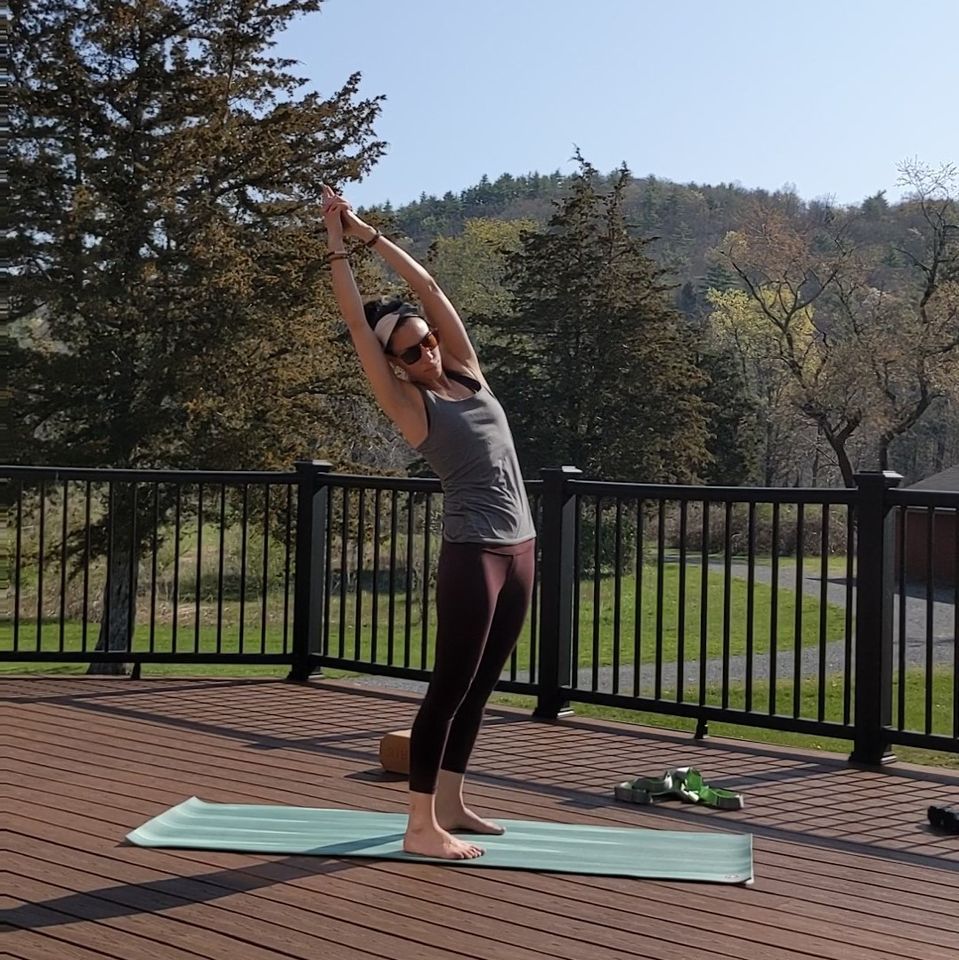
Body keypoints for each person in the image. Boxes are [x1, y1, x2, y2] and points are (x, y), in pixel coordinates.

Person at [321, 185, 536, 860]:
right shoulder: (411, 406)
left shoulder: (467, 373)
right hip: (474, 550)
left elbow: (428, 284)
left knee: (482, 685)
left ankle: (450, 804)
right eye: (411, 354)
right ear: (394, 366)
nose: (426, 356)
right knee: (448, 686)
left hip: (520, 545)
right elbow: (359, 324)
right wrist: (334, 243)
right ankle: (419, 828)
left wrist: (367, 233)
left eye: (426, 342)